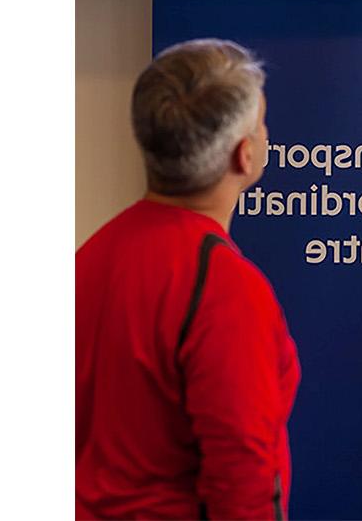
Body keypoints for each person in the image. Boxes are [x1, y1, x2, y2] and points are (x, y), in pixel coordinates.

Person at [77, 39, 299, 520]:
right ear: (244, 155)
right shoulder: (225, 288)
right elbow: (243, 476)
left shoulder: (88, 259)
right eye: (262, 124)